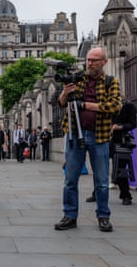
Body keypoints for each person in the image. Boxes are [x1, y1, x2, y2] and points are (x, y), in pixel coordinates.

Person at [54, 47, 121, 232]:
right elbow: (61, 104)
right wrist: (65, 93)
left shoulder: (110, 81)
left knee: (100, 181)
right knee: (70, 180)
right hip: (75, 134)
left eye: (94, 60)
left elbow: (115, 105)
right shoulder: (77, 78)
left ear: (104, 62)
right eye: (88, 60)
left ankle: (103, 217)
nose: (89, 63)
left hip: (99, 136)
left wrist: (85, 105)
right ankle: (69, 216)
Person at [86, 100, 137, 205]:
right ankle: (97, 193)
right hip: (103, 139)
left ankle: (126, 196)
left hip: (120, 140)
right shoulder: (104, 104)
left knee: (120, 168)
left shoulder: (128, 106)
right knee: (99, 168)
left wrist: (120, 127)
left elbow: (132, 123)